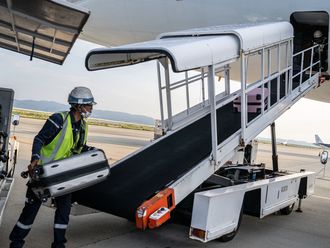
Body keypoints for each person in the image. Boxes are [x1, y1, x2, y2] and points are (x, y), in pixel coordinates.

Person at [9, 86, 96, 248]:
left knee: (63, 213)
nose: (91, 108)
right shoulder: (58, 120)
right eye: (89, 105)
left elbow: (76, 148)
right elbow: (39, 139)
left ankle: (58, 245)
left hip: (63, 175)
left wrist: (90, 150)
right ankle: (16, 242)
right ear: (79, 105)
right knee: (30, 211)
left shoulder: (83, 127)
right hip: (43, 173)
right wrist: (35, 158)